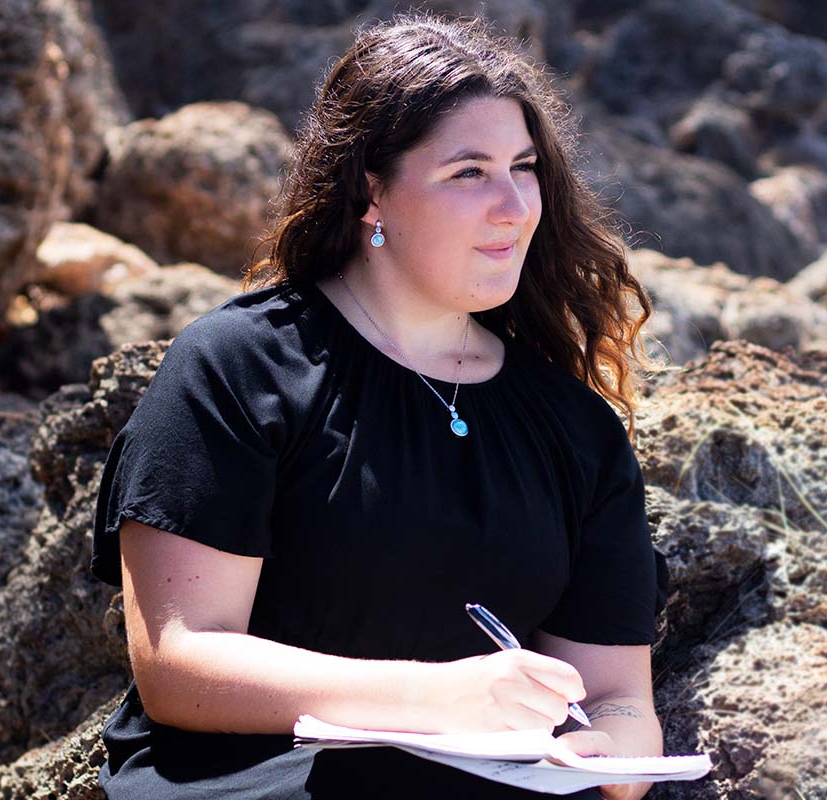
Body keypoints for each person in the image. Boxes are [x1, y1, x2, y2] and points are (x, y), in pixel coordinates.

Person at [91, 12, 669, 800]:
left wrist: (608, 757)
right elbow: (179, 664)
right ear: (371, 192)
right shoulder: (239, 366)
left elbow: (618, 697)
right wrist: (437, 700)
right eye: (469, 172)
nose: (514, 205)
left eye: (525, 167)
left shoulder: (575, 428)